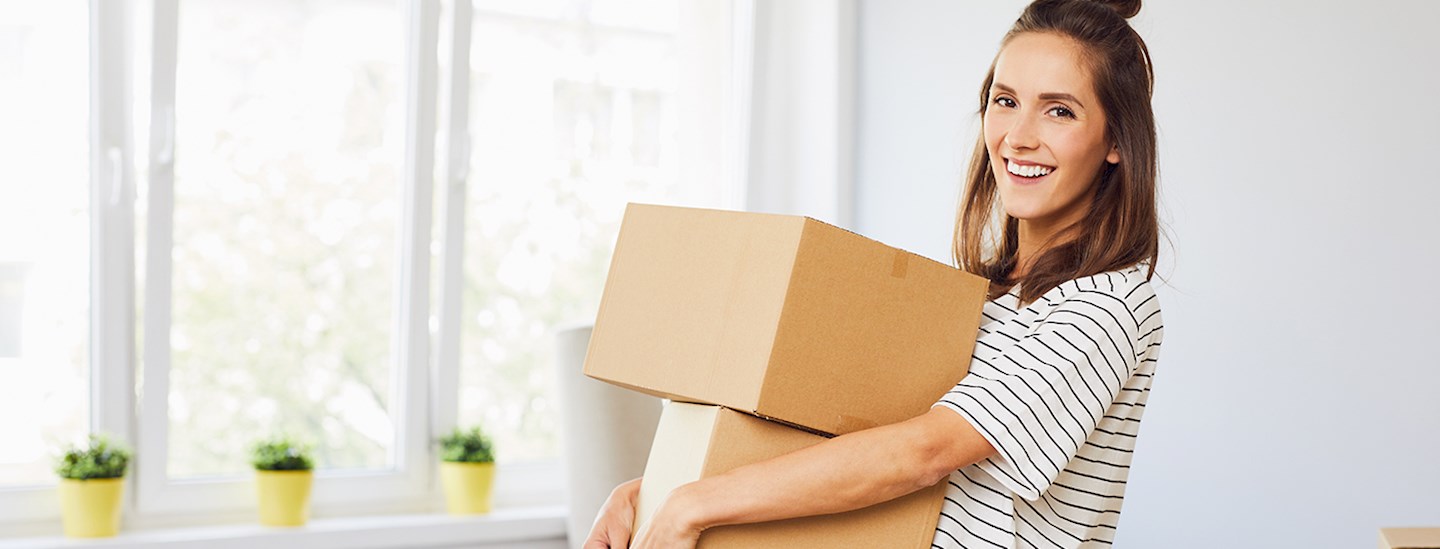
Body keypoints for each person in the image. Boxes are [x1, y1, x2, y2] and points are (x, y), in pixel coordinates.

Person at [585, 0, 1163, 546]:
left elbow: (922, 454)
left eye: (1059, 110)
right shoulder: (982, 300)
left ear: (1116, 139)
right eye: (1005, 100)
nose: (1018, 136)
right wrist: (653, 491)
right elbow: (844, 449)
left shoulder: (1108, 308)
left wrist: (693, 503)